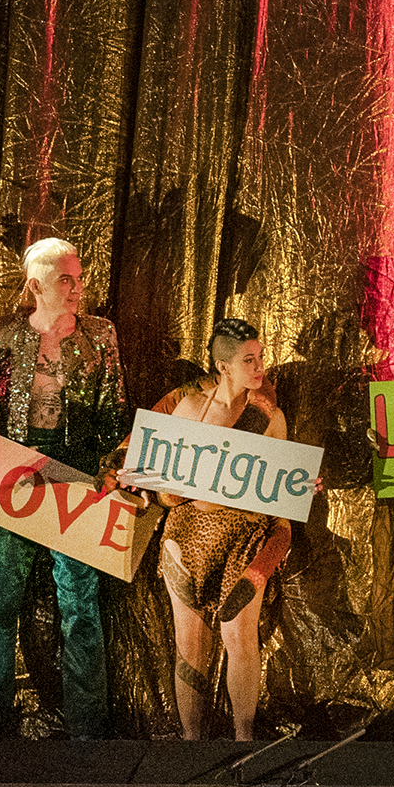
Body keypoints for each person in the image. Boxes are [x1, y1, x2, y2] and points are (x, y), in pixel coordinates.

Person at [0, 235, 128, 738]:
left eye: (78, 278)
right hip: (12, 475)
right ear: (36, 285)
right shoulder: (6, 339)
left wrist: (113, 466)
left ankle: (87, 736)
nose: (77, 288)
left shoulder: (101, 335)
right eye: (65, 280)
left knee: (79, 606)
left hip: (75, 479)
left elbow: (116, 410)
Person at [135, 317, 291, 741]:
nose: (259, 368)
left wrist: (298, 485)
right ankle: (192, 743)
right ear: (224, 366)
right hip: (188, 535)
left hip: (245, 537)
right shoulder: (190, 409)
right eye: (249, 360)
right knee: (190, 645)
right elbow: (162, 483)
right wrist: (152, 484)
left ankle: (243, 738)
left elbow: (281, 497)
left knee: (240, 635)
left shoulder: (271, 418)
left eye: (261, 358)